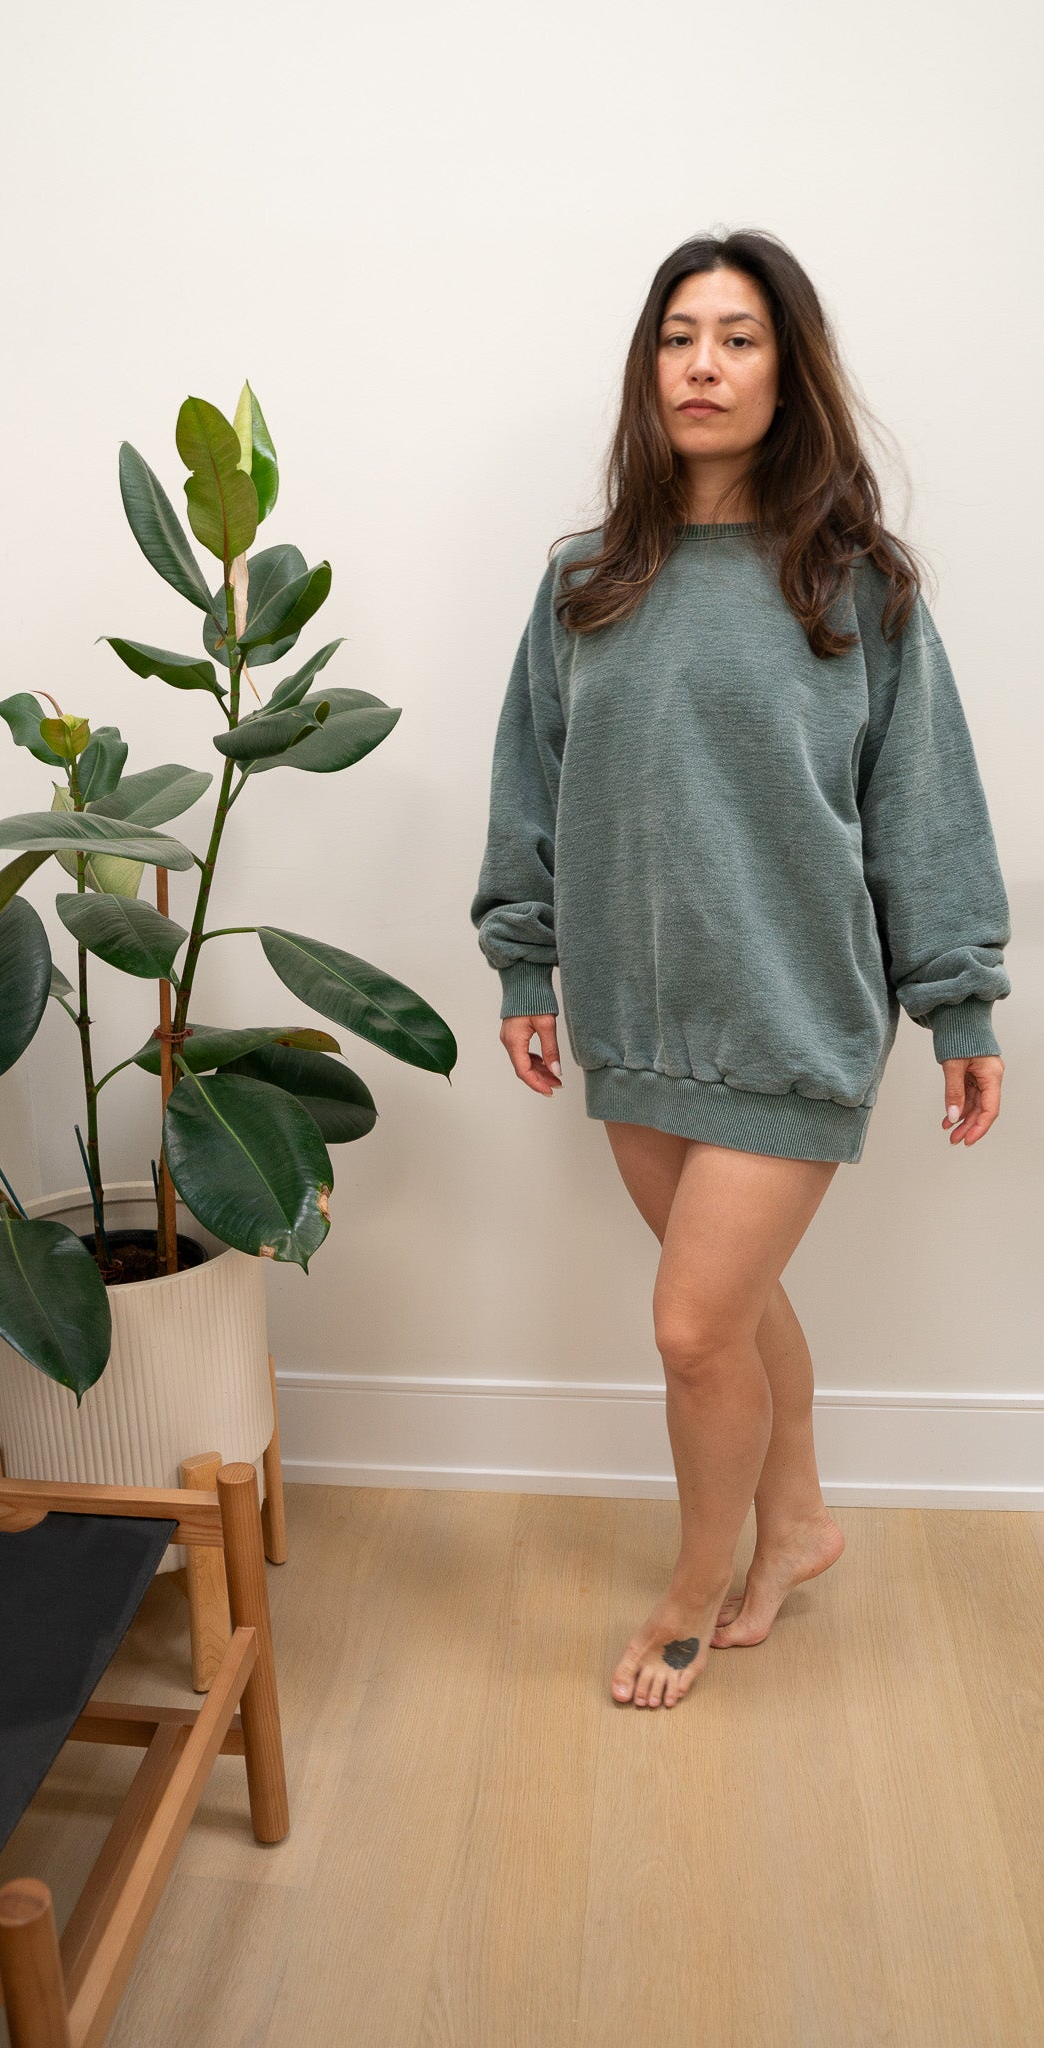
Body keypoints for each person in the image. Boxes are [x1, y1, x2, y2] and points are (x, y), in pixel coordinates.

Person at [470, 227, 1012, 1712]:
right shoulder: (586, 580)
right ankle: (797, 1528)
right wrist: (525, 965)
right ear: (649, 371)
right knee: (736, 1304)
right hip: (638, 1006)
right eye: (676, 338)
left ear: (788, 373)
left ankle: (692, 1588)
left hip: (793, 1008)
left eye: (738, 338)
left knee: (693, 1323)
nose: (701, 365)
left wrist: (954, 996)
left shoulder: (853, 584)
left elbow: (923, 801)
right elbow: (533, 777)